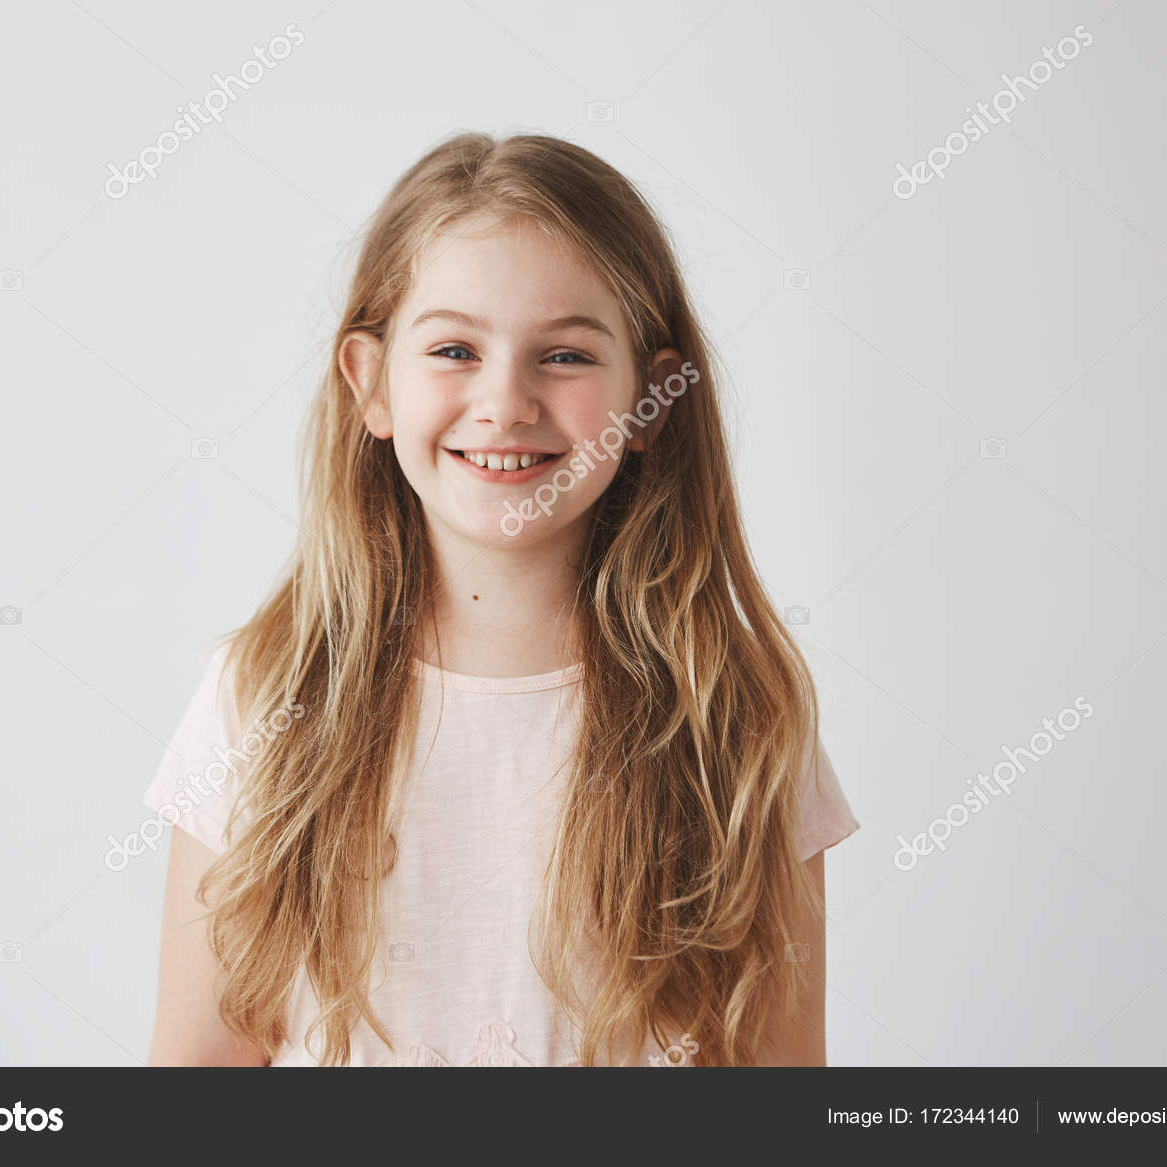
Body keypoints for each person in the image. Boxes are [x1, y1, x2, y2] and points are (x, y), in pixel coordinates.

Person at [143, 132, 859, 1067]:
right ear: (371, 384)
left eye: (563, 356)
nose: (506, 401)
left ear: (653, 395)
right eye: (453, 348)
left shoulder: (735, 708)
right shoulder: (264, 694)